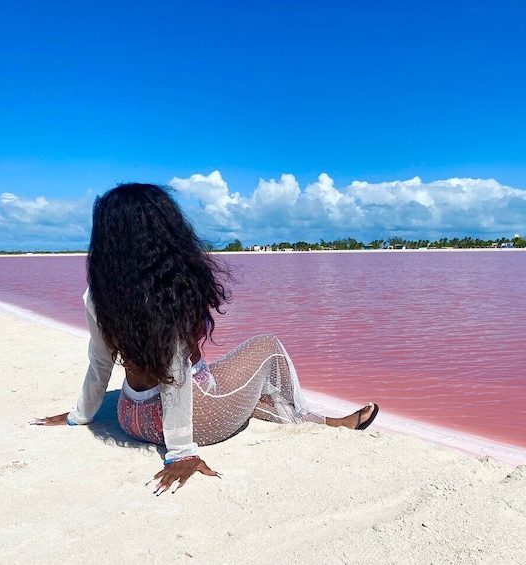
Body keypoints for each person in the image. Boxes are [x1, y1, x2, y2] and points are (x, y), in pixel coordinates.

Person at [31, 183, 378, 495]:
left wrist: (81, 415)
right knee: (268, 346)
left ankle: (325, 421)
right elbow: (176, 372)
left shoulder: (97, 295)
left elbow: (100, 360)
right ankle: (322, 420)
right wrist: (181, 451)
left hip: (130, 417)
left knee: (243, 389)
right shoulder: (170, 291)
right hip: (191, 419)